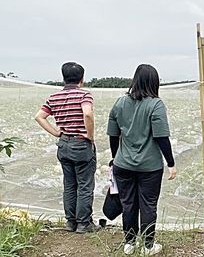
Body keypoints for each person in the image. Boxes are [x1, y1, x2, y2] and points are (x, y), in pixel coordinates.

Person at [107, 64, 177, 256]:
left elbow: (113, 136)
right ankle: (148, 245)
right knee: (148, 205)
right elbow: (161, 137)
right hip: (150, 167)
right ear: (155, 82)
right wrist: (171, 163)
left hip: (123, 164)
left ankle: (129, 244)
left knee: (128, 203)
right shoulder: (156, 104)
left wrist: (116, 158)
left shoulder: (119, 103)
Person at [34, 62, 99, 233]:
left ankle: (71, 222)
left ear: (63, 78)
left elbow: (39, 117)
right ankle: (84, 224)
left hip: (63, 144)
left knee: (69, 185)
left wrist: (56, 132)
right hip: (81, 144)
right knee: (85, 185)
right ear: (82, 79)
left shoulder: (54, 97)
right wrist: (90, 136)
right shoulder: (85, 95)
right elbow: (87, 113)